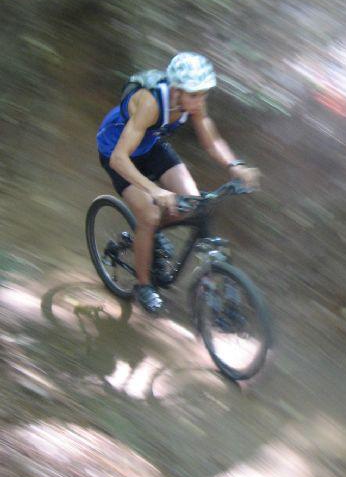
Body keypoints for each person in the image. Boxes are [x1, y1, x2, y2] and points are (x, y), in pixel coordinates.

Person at [96, 52, 259, 314]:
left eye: (204, 94)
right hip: (117, 151)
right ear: (176, 89)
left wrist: (235, 166)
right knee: (149, 214)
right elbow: (118, 159)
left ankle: (145, 237)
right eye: (194, 95)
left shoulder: (192, 101)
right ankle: (143, 286)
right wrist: (155, 189)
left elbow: (212, 140)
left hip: (150, 146)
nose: (199, 101)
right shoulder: (150, 103)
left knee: (191, 204)